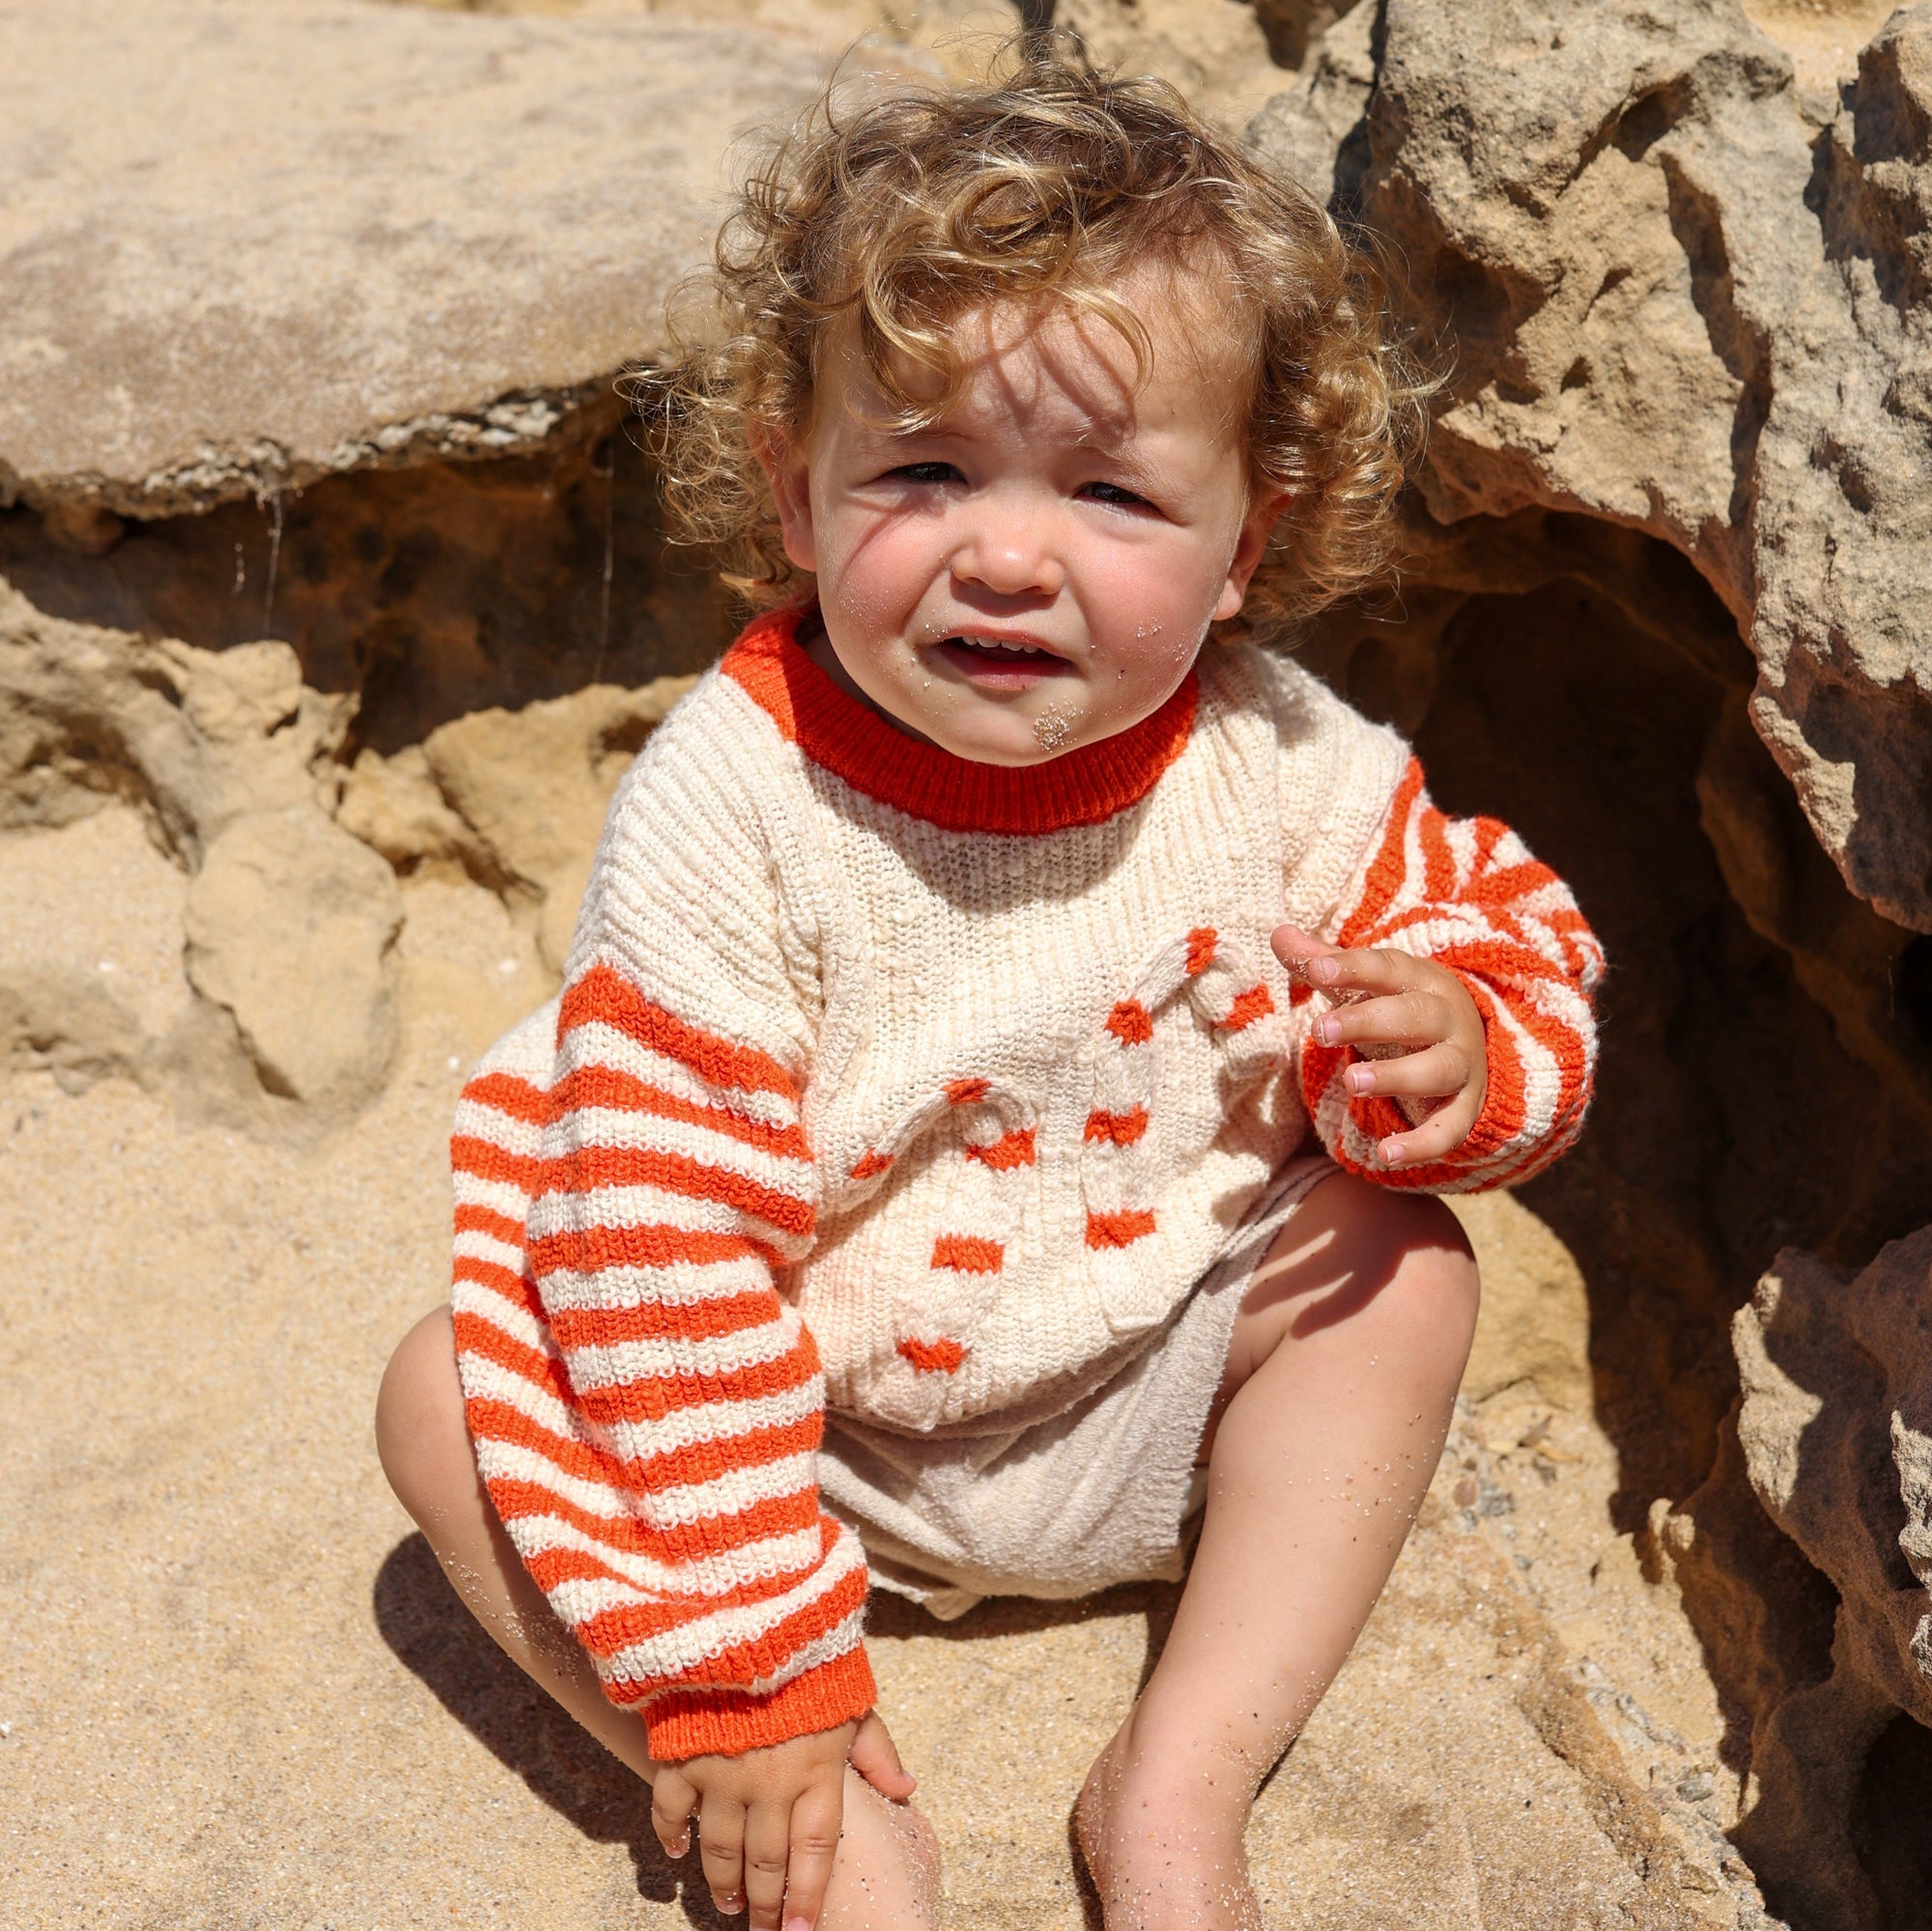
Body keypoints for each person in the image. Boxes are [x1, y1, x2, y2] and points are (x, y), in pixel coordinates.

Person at [376, 47, 1603, 1931]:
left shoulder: (1276, 755)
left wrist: (1449, 1044)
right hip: (805, 1435)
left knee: (1405, 1264)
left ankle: (1179, 1781)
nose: (1007, 552)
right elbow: (659, 1245)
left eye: (1110, 491)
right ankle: (818, 1824)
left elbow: (1502, 929)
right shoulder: (735, 802)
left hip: (1138, 1391)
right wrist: (743, 1660)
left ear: (1242, 547)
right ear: (796, 492)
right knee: (449, 1395)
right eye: (926, 470)